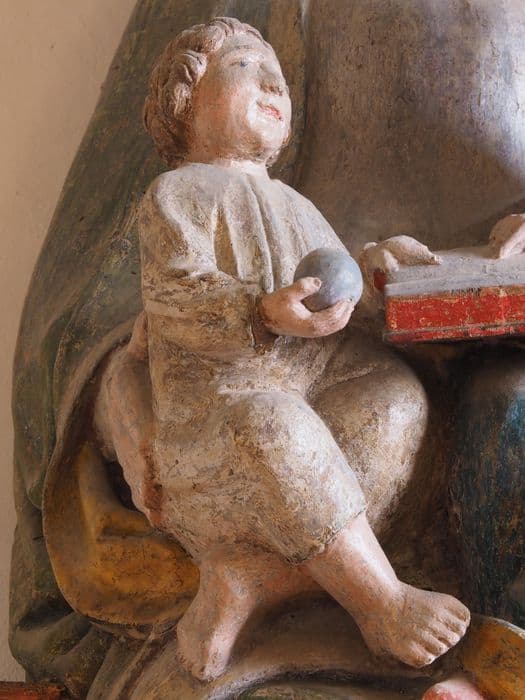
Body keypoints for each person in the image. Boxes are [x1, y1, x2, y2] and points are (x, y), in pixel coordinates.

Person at [94, 18, 470, 682]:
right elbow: (175, 295)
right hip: (215, 434)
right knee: (273, 423)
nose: (273, 82)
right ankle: (380, 603)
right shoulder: (177, 194)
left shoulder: (295, 204)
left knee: (396, 400)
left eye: (280, 77)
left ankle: (247, 581)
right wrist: (260, 312)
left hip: (305, 410)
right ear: (186, 96)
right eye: (246, 65)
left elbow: (334, 291)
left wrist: (376, 273)